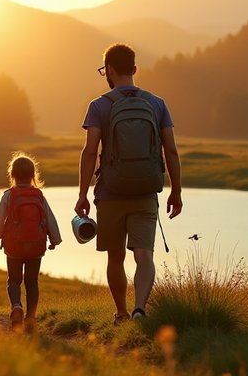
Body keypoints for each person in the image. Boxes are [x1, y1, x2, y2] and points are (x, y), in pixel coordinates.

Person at [75, 43, 183, 324]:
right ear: (134, 69)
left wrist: (83, 194)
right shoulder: (157, 104)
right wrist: (176, 191)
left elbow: (90, 152)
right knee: (144, 255)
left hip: (110, 192)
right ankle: (140, 309)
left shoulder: (99, 106)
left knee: (115, 257)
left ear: (108, 71)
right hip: (146, 190)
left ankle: (121, 313)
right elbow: (170, 150)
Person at [0, 153, 61, 333]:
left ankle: (16, 307)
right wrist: (55, 239)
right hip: (36, 246)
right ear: (33, 175)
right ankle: (31, 317)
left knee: (14, 280)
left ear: (12, 174)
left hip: (14, 246)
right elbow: (49, 218)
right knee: (32, 281)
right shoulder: (39, 195)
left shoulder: (8, 196)